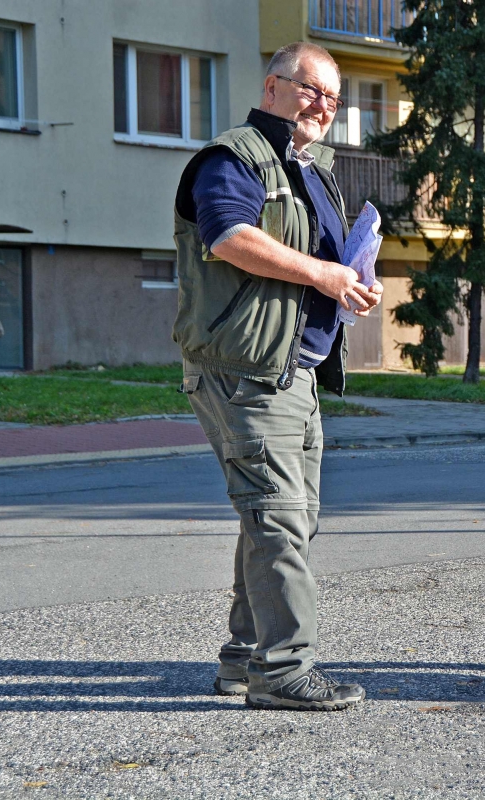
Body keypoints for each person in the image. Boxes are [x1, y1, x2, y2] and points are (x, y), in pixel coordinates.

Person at [172, 42, 382, 711]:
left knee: (284, 518)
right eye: (310, 89)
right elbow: (228, 237)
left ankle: (245, 657)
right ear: (272, 86)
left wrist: (350, 280)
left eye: (333, 97)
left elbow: (319, 262)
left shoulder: (313, 168)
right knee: (278, 517)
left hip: (298, 370)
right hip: (244, 370)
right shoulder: (234, 158)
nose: (322, 105)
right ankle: (283, 670)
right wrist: (322, 273)